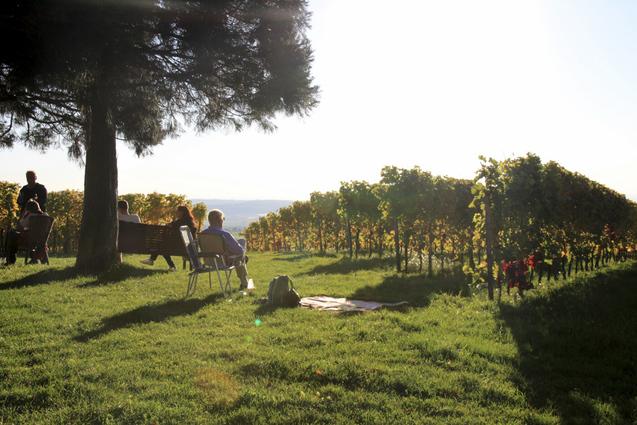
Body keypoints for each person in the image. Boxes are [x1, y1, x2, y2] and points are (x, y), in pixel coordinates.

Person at [201, 209, 251, 289]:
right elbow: (239, 251)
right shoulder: (224, 234)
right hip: (225, 261)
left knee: (239, 252)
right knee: (241, 247)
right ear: (220, 220)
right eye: (223, 219)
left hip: (208, 261)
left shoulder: (202, 234)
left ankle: (244, 281)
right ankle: (244, 282)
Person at [140, 205, 196, 270]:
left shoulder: (179, 222)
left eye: (177, 212)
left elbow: (169, 225)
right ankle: (168, 265)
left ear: (182, 212)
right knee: (162, 246)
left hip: (180, 247)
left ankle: (154, 260)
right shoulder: (190, 222)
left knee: (162, 245)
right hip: (188, 247)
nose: (176, 213)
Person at [4, 199, 47, 265]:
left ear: (28, 208)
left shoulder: (30, 216)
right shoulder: (45, 216)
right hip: (41, 241)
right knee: (12, 234)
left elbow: (20, 226)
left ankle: (10, 260)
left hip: (28, 240)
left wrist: (24, 215)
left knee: (11, 234)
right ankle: (9, 259)